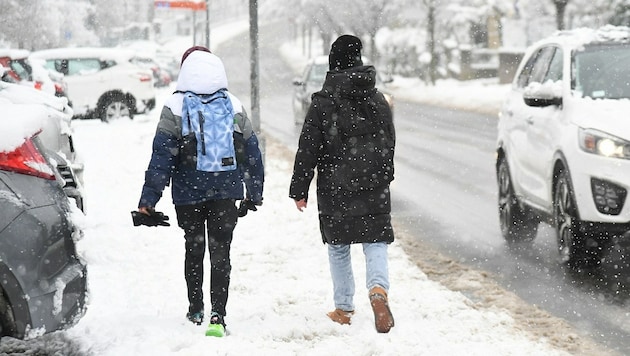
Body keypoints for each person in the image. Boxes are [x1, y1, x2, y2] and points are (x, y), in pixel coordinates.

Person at [136, 46, 264, 332]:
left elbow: (161, 158)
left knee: (194, 250)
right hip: (226, 191)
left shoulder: (174, 107)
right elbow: (251, 152)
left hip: (188, 193)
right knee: (221, 253)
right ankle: (218, 314)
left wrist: (149, 199)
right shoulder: (233, 104)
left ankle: (196, 309)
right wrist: (254, 192)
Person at [289, 35, 396, 333]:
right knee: (375, 241)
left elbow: (307, 148)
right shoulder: (377, 100)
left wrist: (299, 189)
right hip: (374, 185)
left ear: (334, 61)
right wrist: (384, 173)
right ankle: (378, 291)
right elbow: (390, 139)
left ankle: (344, 308)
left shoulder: (324, 103)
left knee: (339, 247)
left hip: (337, 187)